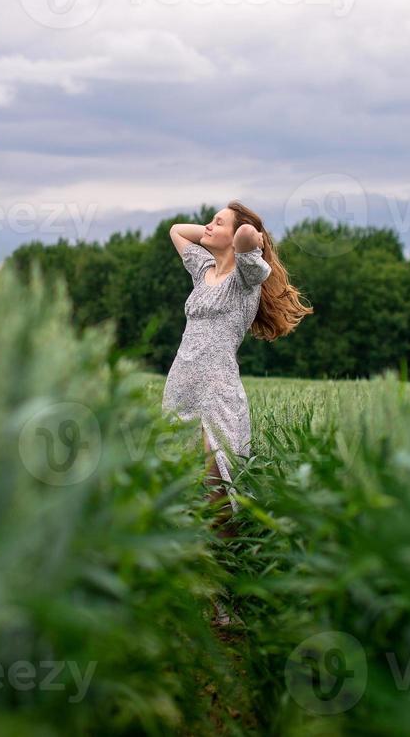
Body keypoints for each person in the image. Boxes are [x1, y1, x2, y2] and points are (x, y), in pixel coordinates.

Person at [164, 201, 313, 622]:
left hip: (216, 395)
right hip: (179, 391)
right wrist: (218, 230)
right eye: (210, 219)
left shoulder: (247, 277)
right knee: (186, 493)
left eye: (217, 221)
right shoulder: (203, 270)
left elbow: (251, 240)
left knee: (218, 495)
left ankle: (229, 597)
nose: (208, 225)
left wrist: (240, 228)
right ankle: (198, 593)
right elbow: (177, 230)